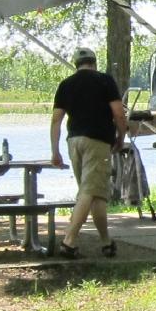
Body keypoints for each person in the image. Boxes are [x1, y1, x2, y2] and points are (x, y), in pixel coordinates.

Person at [49, 45, 128, 257]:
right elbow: (119, 114)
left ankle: (106, 242)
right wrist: (121, 137)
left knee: (95, 194)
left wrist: (55, 151)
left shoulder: (66, 84)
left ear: (76, 65)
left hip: (73, 141)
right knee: (88, 191)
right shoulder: (105, 81)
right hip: (98, 141)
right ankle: (69, 241)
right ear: (94, 62)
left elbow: (56, 120)